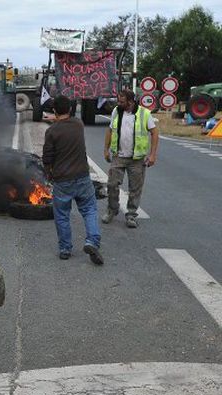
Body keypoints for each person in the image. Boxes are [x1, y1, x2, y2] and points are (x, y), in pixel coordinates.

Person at [42, 95, 103, 265]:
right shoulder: (78, 125)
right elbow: (66, 119)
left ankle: (65, 249)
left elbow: (47, 158)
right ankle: (92, 241)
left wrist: (48, 174)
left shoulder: (52, 131)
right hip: (82, 177)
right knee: (89, 210)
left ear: (54, 110)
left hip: (62, 180)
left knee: (62, 215)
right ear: (70, 109)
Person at [102, 89, 159, 228]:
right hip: (118, 157)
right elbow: (110, 130)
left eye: (122, 101)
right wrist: (106, 149)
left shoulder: (144, 113)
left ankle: (131, 215)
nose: (118, 103)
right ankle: (112, 210)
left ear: (131, 102)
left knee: (135, 188)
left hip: (137, 159)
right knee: (112, 185)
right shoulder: (116, 111)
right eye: (118, 101)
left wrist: (152, 155)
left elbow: (154, 132)